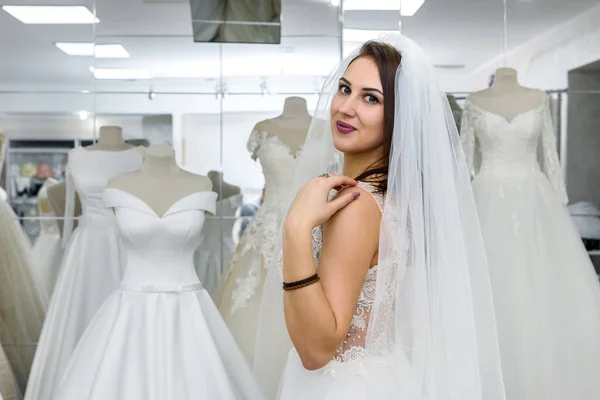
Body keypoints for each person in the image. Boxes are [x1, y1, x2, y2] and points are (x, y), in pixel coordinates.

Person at [253, 34, 507, 400]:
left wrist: (296, 228)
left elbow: (316, 350)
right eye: (345, 89)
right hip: (377, 375)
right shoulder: (387, 198)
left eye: (370, 98)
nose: (346, 107)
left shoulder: (355, 204)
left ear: (398, 116)